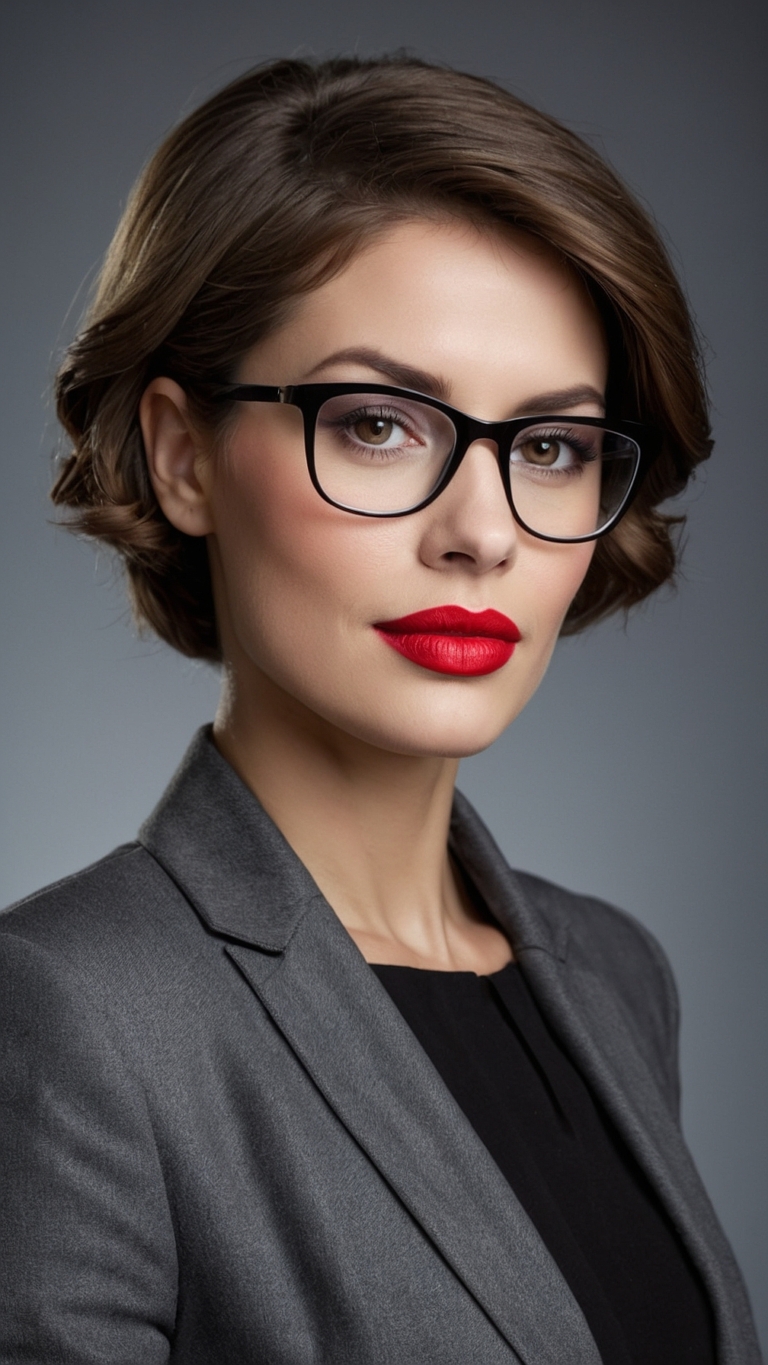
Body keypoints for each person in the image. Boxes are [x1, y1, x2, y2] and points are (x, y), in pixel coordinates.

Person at [0, 54, 760, 1365]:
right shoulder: (73, 1006)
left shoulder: (618, 973)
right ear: (182, 454)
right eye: (379, 424)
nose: (480, 533)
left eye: (553, 445)